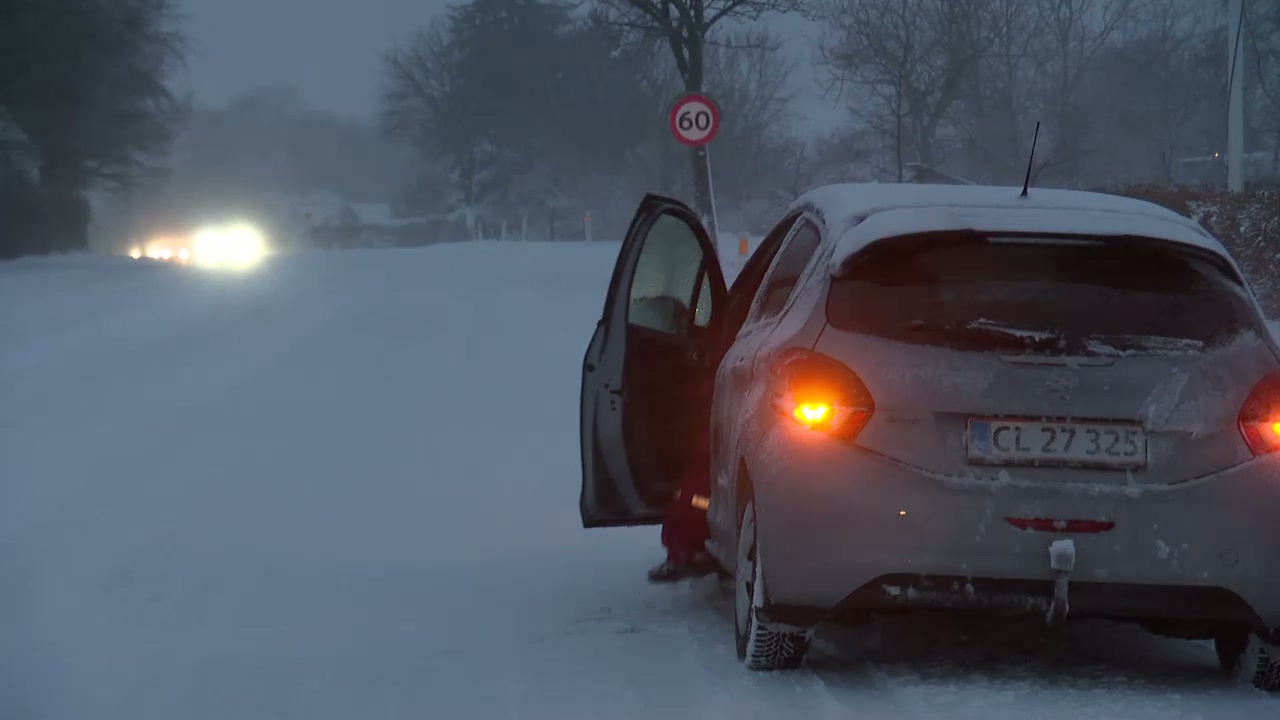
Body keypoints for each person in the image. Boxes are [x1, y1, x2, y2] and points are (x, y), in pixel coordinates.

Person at [647, 423, 716, 583]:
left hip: (712, 502)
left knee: (686, 507)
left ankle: (689, 556)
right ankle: (688, 555)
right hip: (708, 494)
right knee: (683, 505)